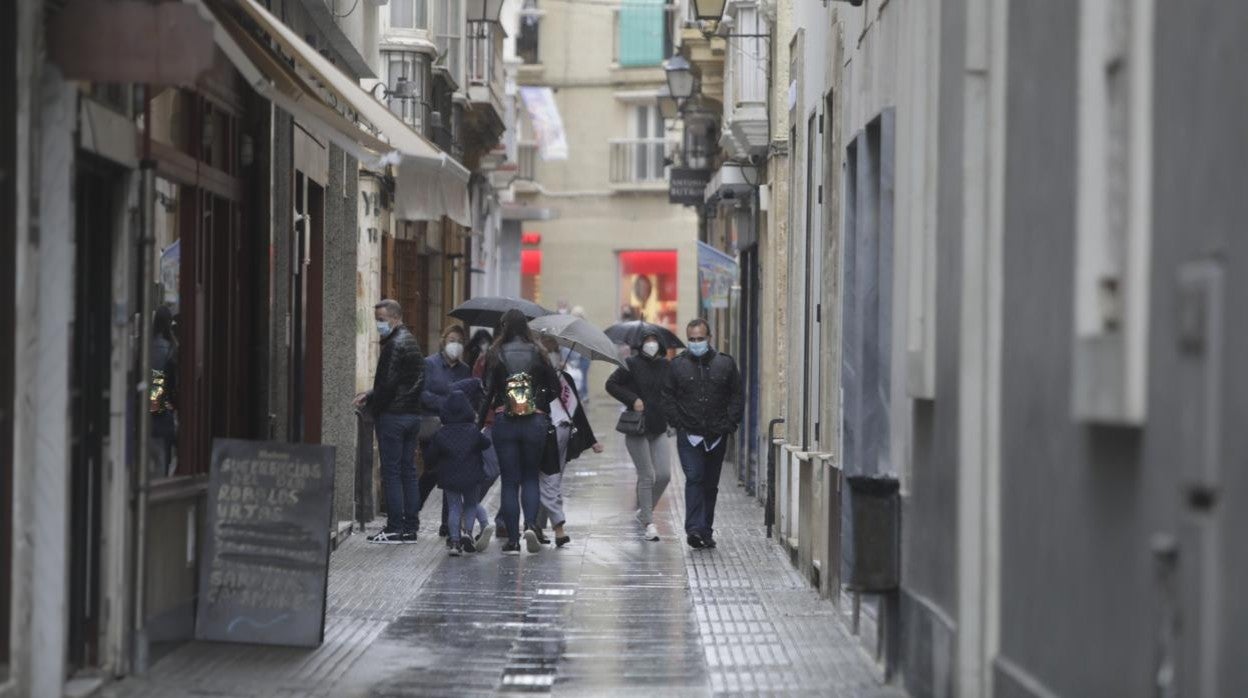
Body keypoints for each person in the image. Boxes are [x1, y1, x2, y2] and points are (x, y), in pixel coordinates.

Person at [478, 309, 561, 554]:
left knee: (510, 482)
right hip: (535, 422)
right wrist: (537, 403)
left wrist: (479, 425)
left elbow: (486, 392)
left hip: (505, 420)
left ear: (504, 328)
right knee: (530, 478)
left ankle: (513, 541)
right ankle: (532, 526)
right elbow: (554, 389)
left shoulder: (495, 353)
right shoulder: (539, 352)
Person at [659, 318, 743, 550]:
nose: (696, 343)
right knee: (694, 477)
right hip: (690, 435)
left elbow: (736, 395)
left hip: (717, 435)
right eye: (692, 339)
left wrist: (730, 424)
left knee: (710, 485)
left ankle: (705, 530)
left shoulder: (725, 364)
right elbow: (667, 397)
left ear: (709, 338)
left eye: (700, 339)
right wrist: (678, 423)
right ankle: (694, 529)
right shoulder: (677, 365)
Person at [354, 299, 426, 544]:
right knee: (408, 471)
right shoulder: (412, 342)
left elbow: (387, 384)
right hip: (412, 415)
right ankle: (410, 527)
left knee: (393, 472)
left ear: (395, 318)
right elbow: (405, 381)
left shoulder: (395, 345)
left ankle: (395, 527)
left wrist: (374, 406)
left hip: (394, 417)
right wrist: (371, 393)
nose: (378, 325)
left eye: (381, 320)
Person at [534, 337, 603, 547]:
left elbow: (577, 411)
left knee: (548, 481)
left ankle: (536, 526)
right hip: (541, 435)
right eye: (548, 353)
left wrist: (591, 440)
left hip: (562, 437)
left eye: (555, 352)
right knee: (550, 482)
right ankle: (558, 527)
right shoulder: (535, 378)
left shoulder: (565, 379)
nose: (553, 356)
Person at [606, 330, 672, 542]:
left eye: (654, 341)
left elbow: (672, 392)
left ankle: (644, 510)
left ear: (660, 344)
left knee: (663, 475)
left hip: (659, 426)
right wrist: (632, 399)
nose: (650, 344)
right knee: (647, 475)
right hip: (637, 427)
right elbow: (611, 384)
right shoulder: (631, 364)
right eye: (647, 341)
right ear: (640, 344)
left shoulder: (666, 366)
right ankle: (649, 523)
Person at [418, 325, 473, 542]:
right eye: (451, 339)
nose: (455, 344)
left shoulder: (465, 370)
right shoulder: (429, 364)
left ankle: (446, 523)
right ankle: (412, 511)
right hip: (432, 425)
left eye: (459, 341)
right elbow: (422, 393)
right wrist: (446, 404)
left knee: (450, 475)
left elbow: (467, 396)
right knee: (432, 471)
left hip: (454, 429)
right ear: (443, 341)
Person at [423, 390, 493, 556]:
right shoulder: (473, 430)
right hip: (472, 475)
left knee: (454, 507)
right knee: (470, 505)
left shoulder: (441, 433)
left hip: (449, 477)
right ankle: (467, 534)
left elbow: (431, 455)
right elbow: (486, 443)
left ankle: (454, 542)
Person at [150, 305, 179, 477]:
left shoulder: (146, 345)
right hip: (161, 414)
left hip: (145, 415)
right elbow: (159, 381)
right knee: (163, 464)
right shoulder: (169, 348)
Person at [570, 306, 592, 402]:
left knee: (583, 376)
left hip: (584, 356)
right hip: (574, 355)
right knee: (575, 376)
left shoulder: (586, 327)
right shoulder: (572, 327)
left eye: (577, 315)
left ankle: (584, 395)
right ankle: (578, 395)